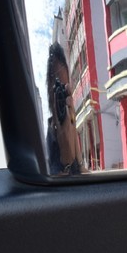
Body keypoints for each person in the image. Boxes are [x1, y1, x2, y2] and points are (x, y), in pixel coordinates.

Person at [46, 42, 83, 176]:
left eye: (64, 89)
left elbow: (83, 172)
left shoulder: (73, 122)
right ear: (50, 93)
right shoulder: (50, 136)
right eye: (57, 89)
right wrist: (66, 163)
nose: (61, 97)